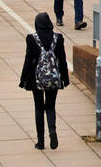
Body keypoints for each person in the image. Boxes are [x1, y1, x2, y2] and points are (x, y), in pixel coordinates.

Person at [18, 13, 69, 150]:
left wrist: (23, 79)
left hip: (37, 80)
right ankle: (52, 129)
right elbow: (62, 60)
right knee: (51, 106)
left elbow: (28, 60)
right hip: (53, 78)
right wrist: (65, 78)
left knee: (39, 108)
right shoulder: (58, 38)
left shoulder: (32, 39)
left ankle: (41, 142)